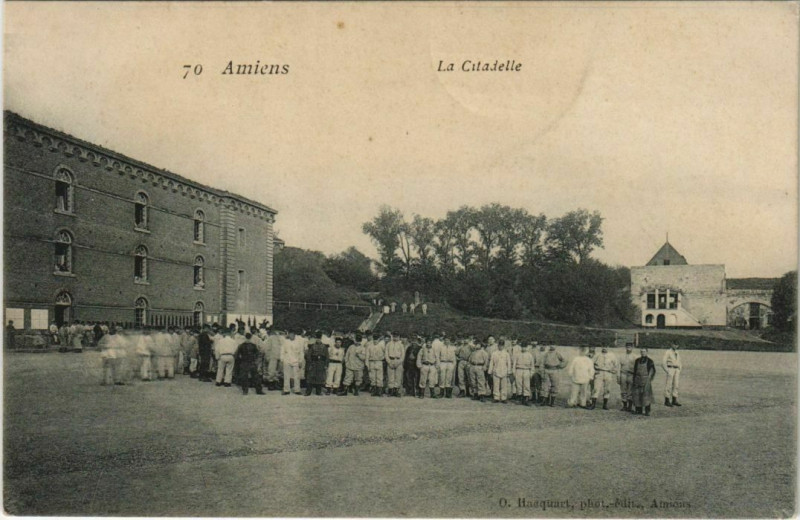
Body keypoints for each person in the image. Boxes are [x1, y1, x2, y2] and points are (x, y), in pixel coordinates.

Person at [590, 345, 619, 410]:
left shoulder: (612, 355)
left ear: (608, 347)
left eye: (606, 347)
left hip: (608, 373)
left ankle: (605, 405)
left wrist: (613, 371)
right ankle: (593, 404)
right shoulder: (597, 355)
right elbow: (591, 363)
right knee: (596, 388)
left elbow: (616, 364)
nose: (604, 348)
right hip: (599, 372)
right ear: (601, 347)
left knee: (607, 389)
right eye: (603, 346)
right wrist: (594, 371)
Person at [632, 348, 656, 416]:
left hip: (646, 380)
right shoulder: (637, 360)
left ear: (647, 352)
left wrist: (649, 379)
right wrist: (634, 379)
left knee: (646, 395)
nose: (643, 353)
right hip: (637, 379)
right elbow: (635, 370)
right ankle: (638, 410)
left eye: (644, 351)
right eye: (641, 352)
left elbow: (652, 371)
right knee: (637, 395)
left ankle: (647, 411)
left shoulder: (650, 361)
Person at [281, 331, 304, 395]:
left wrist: (300, 361)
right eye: (290, 334)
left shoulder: (299, 342)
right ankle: (286, 390)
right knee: (286, 376)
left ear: (294, 335)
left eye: (292, 334)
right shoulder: (285, 342)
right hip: (287, 360)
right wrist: (282, 359)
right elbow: (282, 351)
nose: (291, 336)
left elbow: (301, 353)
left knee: (297, 376)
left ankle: (297, 390)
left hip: (296, 360)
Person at [385, 333, 406, 397]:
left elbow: (403, 355)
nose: (395, 338)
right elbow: (386, 354)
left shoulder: (401, 345)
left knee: (398, 377)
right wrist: (389, 362)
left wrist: (399, 362)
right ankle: (391, 390)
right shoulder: (388, 344)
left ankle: (396, 390)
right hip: (391, 360)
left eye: (396, 336)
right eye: (394, 336)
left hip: (398, 360)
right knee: (390, 376)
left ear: (399, 337)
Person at [618, 343, 637, 411]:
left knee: (631, 391)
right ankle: (624, 405)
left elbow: (636, 367)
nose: (628, 348)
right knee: (623, 390)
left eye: (630, 347)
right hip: (623, 374)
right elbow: (619, 366)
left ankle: (630, 406)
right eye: (627, 347)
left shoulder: (635, 356)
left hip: (631, 375)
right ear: (625, 347)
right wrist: (618, 376)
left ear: (632, 348)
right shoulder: (621, 356)